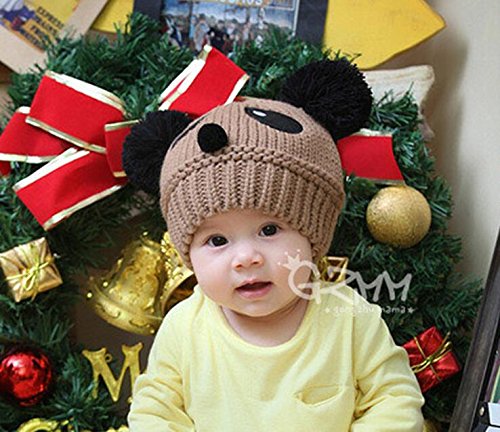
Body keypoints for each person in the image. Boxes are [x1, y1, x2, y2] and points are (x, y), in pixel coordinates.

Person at [124, 58, 425, 431]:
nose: (246, 258)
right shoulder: (184, 328)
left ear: (313, 235)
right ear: (188, 254)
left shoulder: (348, 317)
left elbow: (395, 402)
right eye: (217, 240)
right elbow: (154, 415)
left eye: (269, 230)